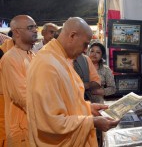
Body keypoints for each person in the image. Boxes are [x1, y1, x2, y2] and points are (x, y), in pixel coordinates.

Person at [26, 17, 119, 146]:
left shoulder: (61, 58)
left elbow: (67, 101)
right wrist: (92, 122)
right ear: (72, 36)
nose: (85, 50)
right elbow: (50, 121)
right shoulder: (46, 64)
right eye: (85, 44)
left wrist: (88, 108)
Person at [0, 15, 38, 146]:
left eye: (35, 26)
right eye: (30, 27)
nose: (35, 30)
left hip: (36, 125)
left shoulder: (33, 55)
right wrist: (51, 113)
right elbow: (22, 96)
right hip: (21, 129)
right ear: (16, 32)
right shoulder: (10, 58)